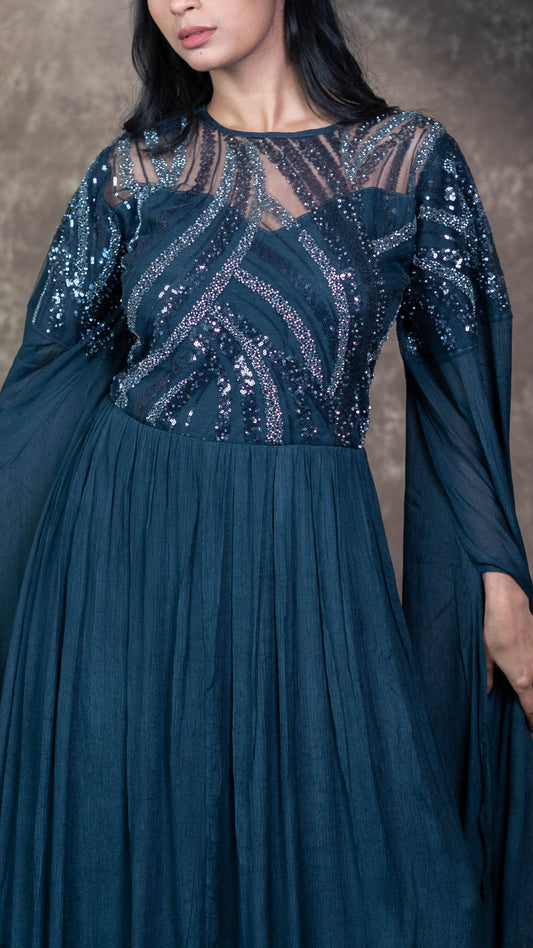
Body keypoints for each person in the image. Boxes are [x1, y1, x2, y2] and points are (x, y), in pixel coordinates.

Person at [0, 0, 532, 944]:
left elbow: (459, 391)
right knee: (140, 867)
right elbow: (45, 383)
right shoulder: (135, 171)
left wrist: (498, 576)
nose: (179, 2)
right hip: (123, 555)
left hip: (308, 554)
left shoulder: (408, 160)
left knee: (379, 880)